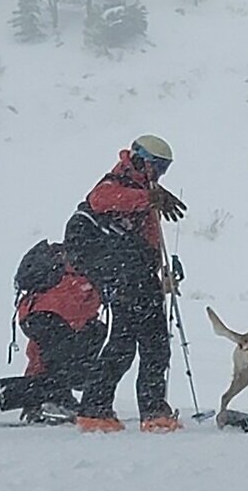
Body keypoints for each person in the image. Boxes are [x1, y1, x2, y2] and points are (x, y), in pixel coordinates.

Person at [67, 135, 186, 433]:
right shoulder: (118, 183)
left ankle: (99, 409)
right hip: (120, 271)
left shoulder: (143, 190)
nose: (159, 174)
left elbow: (148, 240)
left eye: (164, 169)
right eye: (157, 166)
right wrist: (150, 198)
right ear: (140, 159)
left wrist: (159, 274)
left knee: (136, 341)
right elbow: (100, 199)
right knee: (143, 341)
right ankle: (146, 410)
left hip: (131, 272)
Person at [0, 244, 106, 426]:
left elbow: (38, 357)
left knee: (57, 366)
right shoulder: (93, 266)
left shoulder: (69, 267)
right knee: (75, 370)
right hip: (58, 314)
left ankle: (46, 401)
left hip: (36, 312)